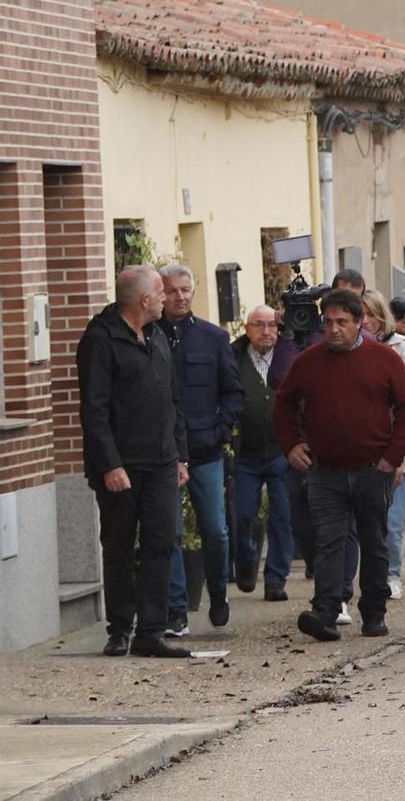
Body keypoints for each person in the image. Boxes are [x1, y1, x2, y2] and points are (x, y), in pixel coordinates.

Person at [275, 289, 405, 642]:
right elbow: (283, 405)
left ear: (360, 323)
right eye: (328, 322)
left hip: (373, 467)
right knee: (329, 540)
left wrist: (393, 455)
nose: (334, 329)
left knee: (373, 541)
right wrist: (292, 445)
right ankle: (326, 610)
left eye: (342, 322)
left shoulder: (384, 359)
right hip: (326, 469)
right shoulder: (308, 362)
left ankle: (374, 611)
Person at [80, 266, 190, 658]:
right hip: (121, 466)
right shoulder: (101, 340)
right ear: (144, 300)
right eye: (161, 292)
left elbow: (171, 399)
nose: (167, 298)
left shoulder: (157, 335)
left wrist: (180, 455)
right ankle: (120, 628)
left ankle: (152, 631)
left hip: (161, 462)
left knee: (162, 542)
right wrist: (109, 464)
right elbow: (94, 409)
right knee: (120, 545)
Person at [156, 265, 241, 636]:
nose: (180, 297)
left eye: (185, 289)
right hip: (163, 453)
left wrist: (221, 430)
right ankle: (177, 608)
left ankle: (218, 592)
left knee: (215, 530)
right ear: (160, 293)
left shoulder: (212, 337)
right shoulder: (148, 336)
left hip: (205, 449)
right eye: (172, 290)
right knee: (169, 532)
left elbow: (233, 392)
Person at [360, 291, 405, 600]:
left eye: (370, 314)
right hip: (364, 444)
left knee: (392, 517)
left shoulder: (401, 346)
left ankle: (392, 573)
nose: (366, 322)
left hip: (396, 441)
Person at [231, 306, 296, 602]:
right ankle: (245, 561)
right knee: (243, 514)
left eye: (272, 325)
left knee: (282, 516)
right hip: (246, 453)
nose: (267, 331)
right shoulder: (233, 358)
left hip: (281, 451)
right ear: (248, 329)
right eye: (259, 325)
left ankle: (276, 579)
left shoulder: (288, 357)